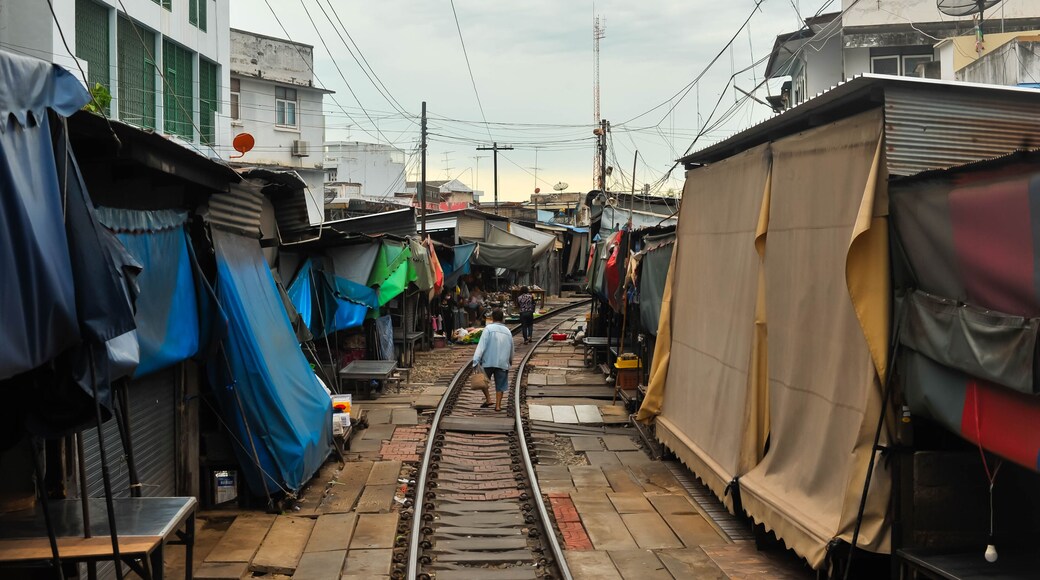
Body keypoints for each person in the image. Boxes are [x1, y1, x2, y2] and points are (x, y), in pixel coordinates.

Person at [472, 308, 514, 411]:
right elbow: (511, 347)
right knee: (501, 384)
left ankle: (489, 399)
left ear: (492, 318)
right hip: (502, 362)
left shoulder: (488, 329)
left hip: (488, 361)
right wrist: (510, 359)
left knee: (483, 381)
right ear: (503, 318)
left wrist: (476, 359)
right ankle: (498, 406)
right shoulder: (508, 331)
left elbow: (481, 345)